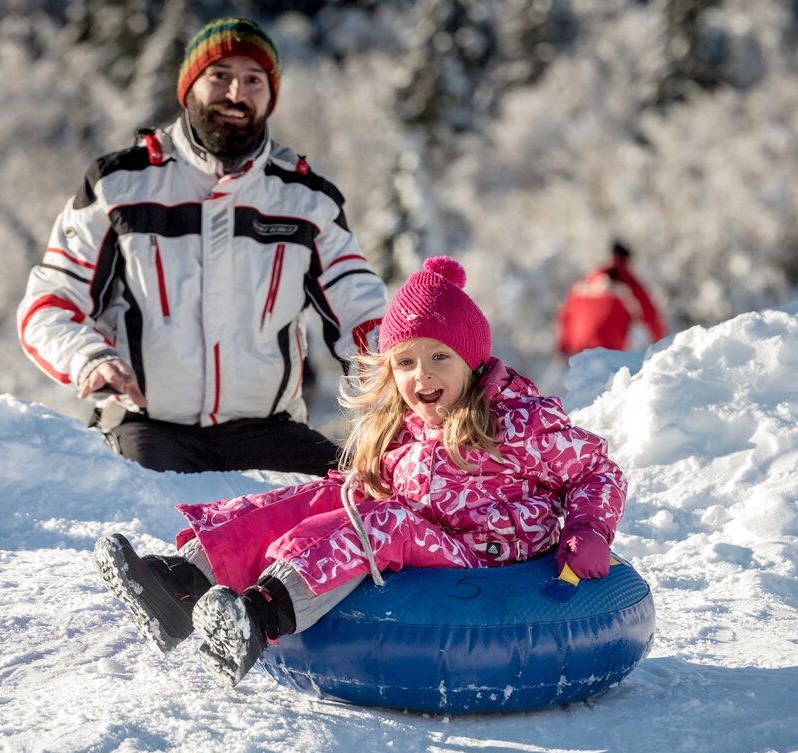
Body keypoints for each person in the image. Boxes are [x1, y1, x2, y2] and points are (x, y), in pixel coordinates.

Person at [93, 255, 628, 688]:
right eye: (406, 361)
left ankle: (260, 617)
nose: (423, 375)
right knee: (326, 497)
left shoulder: (518, 423)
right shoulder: (402, 425)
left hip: (483, 557)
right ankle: (183, 583)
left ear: (472, 359)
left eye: (440, 356)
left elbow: (598, 470)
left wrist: (588, 529)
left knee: (381, 523)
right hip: (421, 535)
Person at [17, 17, 386, 474]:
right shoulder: (119, 186)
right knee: (155, 520)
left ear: (270, 98)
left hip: (269, 431)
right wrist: (88, 357)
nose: (236, 94)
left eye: (253, 80)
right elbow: (49, 303)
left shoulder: (307, 200)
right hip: (147, 427)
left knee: (355, 502)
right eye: (220, 76)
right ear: (188, 87)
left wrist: (404, 373)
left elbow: (363, 310)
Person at [556, 240, 668, 357]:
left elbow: (565, 316)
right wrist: (664, 345)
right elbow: (650, 314)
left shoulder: (585, 282)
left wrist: (562, 346)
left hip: (577, 348)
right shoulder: (627, 281)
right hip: (608, 350)